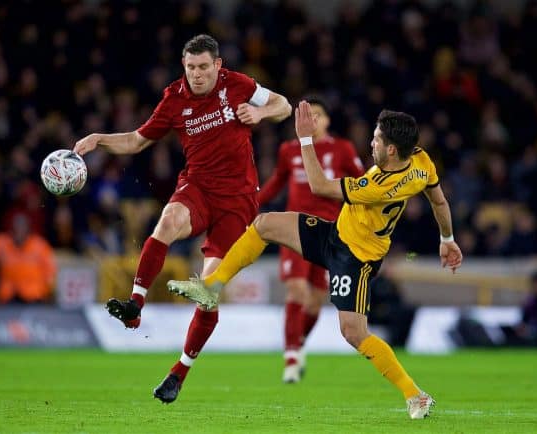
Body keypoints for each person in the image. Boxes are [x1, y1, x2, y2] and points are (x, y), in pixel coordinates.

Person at [168, 101, 463, 419]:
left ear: (391, 150)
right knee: (264, 225)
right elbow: (439, 200)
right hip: (336, 235)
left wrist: (305, 139)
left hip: (356, 259)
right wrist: (447, 240)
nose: (371, 143)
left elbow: (319, 186)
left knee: (353, 333)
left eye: (377, 140)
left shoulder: (377, 187)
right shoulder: (420, 160)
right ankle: (212, 286)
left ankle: (415, 395)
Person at [73, 34, 291, 403]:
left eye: (204, 67)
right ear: (183, 67)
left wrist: (261, 112)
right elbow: (137, 141)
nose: (197, 75)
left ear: (218, 65)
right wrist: (98, 138)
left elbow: (284, 104)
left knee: (208, 295)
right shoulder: (174, 99)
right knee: (168, 221)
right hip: (198, 189)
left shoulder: (238, 85)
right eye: (190, 68)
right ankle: (135, 306)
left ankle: (179, 372)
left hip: (237, 204)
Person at [257, 96, 364, 383]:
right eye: (307, 116)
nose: (312, 120)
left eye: (317, 115)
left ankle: (299, 342)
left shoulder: (342, 149)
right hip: (295, 230)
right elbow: (277, 182)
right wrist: (251, 203)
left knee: (316, 301)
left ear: (327, 120)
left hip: (330, 233)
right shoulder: (288, 150)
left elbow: (363, 183)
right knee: (297, 292)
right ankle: (291, 356)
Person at [0, 213, 56, 303]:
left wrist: (47, 291)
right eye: (16, 229)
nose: (19, 233)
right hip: (8, 297)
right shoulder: (2, 243)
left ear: (28, 231)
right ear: (11, 230)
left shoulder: (39, 246)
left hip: (34, 297)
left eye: (22, 229)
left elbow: (50, 272)